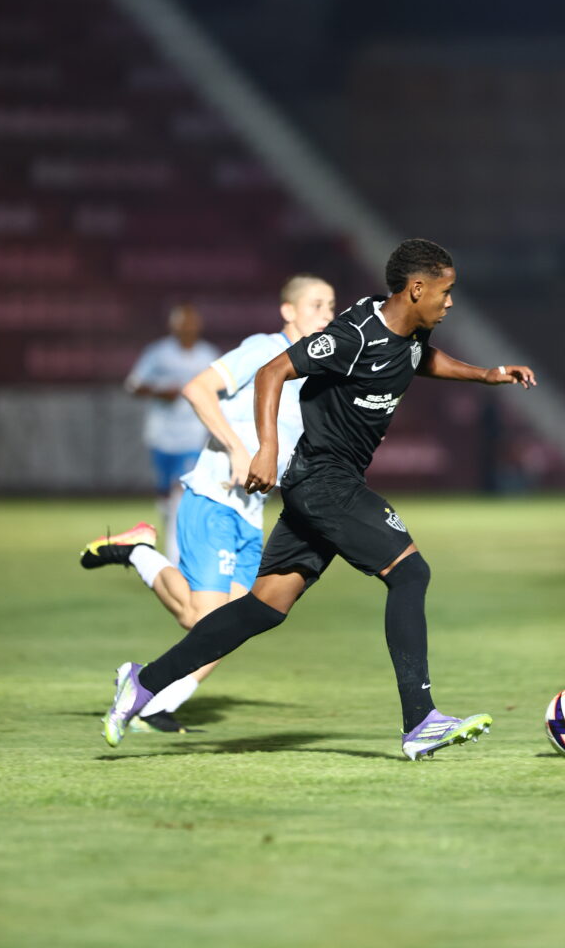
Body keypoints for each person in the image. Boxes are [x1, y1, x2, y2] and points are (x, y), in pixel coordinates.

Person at [101, 238, 536, 759]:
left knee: (262, 608)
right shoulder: (353, 335)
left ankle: (143, 684)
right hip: (325, 480)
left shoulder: (410, 331)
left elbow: (420, 359)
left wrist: (486, 374)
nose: (450, 302)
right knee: (410, 572)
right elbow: (272, 371)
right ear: (416, 289)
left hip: (330, 483)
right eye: (445, 292)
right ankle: (420, 721)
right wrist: (266, 450)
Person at [81, 275, 336, 733]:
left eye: (331, 305)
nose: (326, 313)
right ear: (288, 311)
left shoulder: (317, 374)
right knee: (205, 619)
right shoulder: (264, 350)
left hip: (251, 514)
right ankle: (138, 553)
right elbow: (197, 389)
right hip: (212, 498)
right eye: (316, 304)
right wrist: (238, 449)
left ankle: (154, 703)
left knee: (231, 626)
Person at [125, 303, 219, 563]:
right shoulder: (158, 353)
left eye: (191, 322)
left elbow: (221, 390)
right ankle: (171, 531)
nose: (187, 327)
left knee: (181, 492)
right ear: (172, 325)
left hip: (193, 435)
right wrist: (158, 391)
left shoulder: (207, 355)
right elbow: (132, 385)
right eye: (181, 323)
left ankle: (176, 560)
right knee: (166, 498)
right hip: (162, 435)